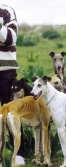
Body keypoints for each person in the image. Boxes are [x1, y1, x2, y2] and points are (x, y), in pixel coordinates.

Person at [0, 4, 24, 157]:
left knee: (10, 114)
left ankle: (18, 154)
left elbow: (9, 39)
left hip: (5, 72)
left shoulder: (7, 11)